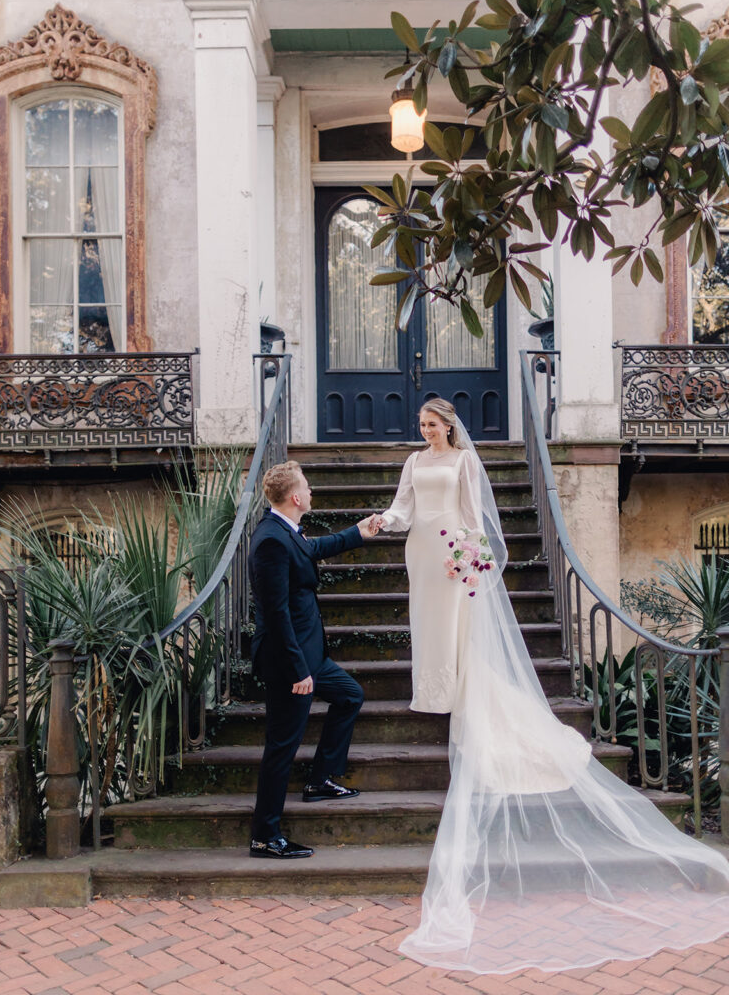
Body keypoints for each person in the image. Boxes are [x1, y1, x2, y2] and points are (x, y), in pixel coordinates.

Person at [377, 397, 729, 974]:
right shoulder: (414, 462)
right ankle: (434, 690)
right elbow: (402, 509)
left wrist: (472, 558)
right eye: (422, 426)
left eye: (433, 425)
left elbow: (478, 521)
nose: (426, 432)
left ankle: (465, 692)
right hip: (421, 552)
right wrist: (379, 523)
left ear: (449, 427)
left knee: (459, 632)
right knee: (430, 628)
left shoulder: (465, 462)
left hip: (451, 552)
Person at [248, 460, 380, 860]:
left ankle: (320, 780)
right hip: (292, 664)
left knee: (349, 696)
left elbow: (314, 549)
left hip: (309, 657)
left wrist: (359, 532)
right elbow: (275, 613)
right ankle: (264, 836)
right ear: (296, 497)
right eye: (307, 487)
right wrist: (298, 670)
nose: (312, 492)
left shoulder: (288, 531)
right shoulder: (270, 540)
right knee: (281, 748)